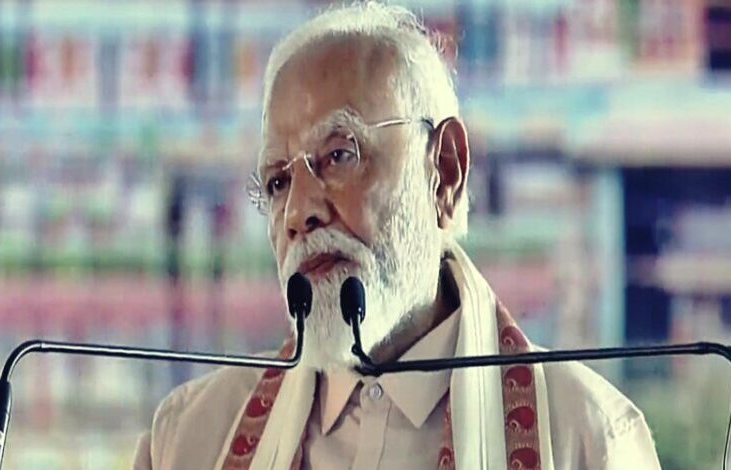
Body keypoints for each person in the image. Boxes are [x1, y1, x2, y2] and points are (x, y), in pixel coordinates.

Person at [133, 3, 661, 469]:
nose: (298, 212)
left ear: (445, 172)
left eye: (339, 155)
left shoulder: (588, 439)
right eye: (277, 182)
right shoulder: (188, 441)